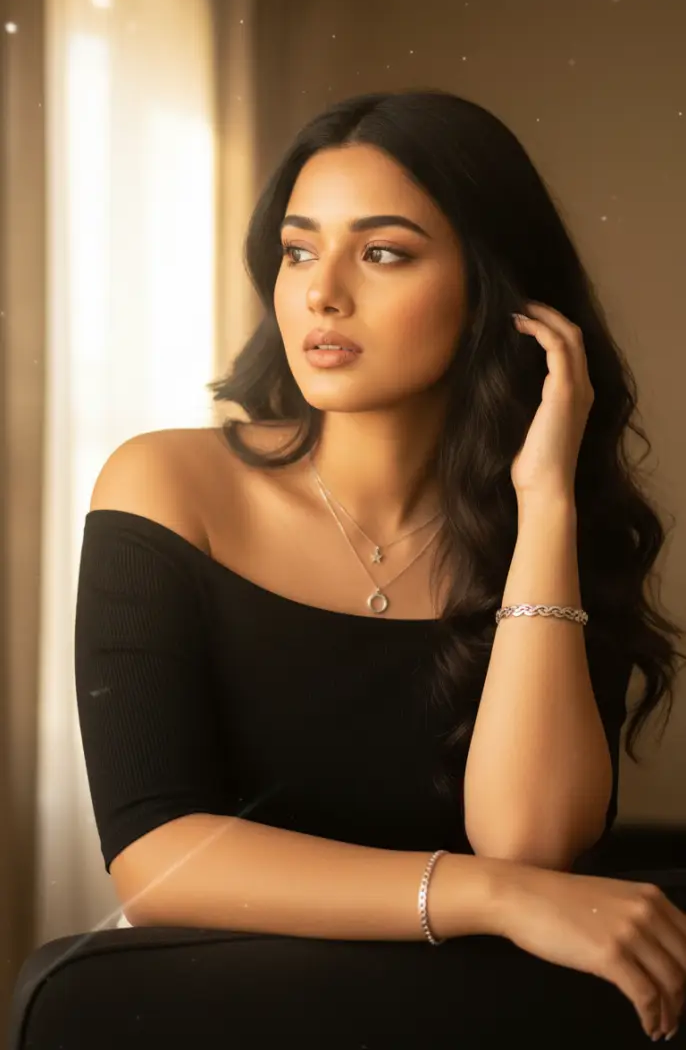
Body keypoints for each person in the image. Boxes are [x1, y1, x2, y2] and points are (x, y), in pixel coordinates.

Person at [75, 89, 686, 1046]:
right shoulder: (165, 484)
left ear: (497, 291)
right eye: (298, 250)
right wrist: (489, 896)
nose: (322, 293)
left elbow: (530, 843)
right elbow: (155, 861)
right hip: (231, 1021)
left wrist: (546, 505)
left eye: (384, 252)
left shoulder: (551, 529)